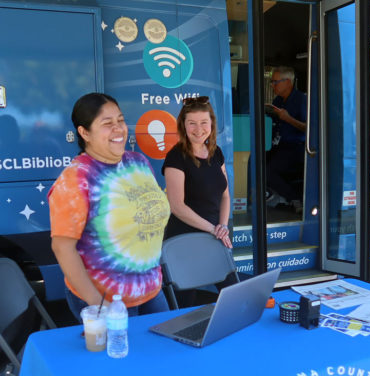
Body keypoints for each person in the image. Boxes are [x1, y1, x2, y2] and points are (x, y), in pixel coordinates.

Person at [48, 92, 171, 322]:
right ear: (85, 133)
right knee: (126, 357)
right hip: (107, 300)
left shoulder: (139, 162)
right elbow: (63, 248)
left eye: (120, 120)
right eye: (107, 123)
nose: (118, 129)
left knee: (166, 353)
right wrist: (99, 305)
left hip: (152, 289)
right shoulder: (75, 179)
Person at [162, 96, 234, 307]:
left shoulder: (216, 152)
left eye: (204, 122)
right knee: (184, 304)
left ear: (211, 123)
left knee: (233, 295)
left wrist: (222, 226)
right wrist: (213, 229)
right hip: (184, 240)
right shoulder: (176, 157)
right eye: (192, 123)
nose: (198, 129)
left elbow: (226, 195)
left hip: (214, 236)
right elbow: (177, 207)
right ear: (183, 125)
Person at [266, 66, 307, 212]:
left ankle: (295, 199)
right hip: (278, 144)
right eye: (272, 82)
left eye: (276, 82)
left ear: (288, 82)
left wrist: (288, 119)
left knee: (268, 171)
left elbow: (310, 128)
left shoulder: (301, 100)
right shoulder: (278, 100)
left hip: (295, 147)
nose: (272, 85)